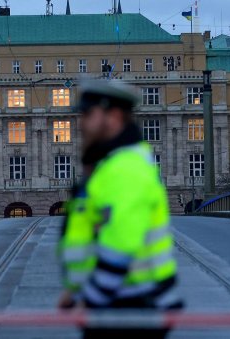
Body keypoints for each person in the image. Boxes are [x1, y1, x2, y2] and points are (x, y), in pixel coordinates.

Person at [58, 81, 182, 339]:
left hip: (133, 307)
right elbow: (94, 233)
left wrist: (89, 299)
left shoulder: (126, 168)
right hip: (119, 303)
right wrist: (76, 289)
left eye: (88, 114)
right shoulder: (110, 163)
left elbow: (120, 247)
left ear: (113, 116)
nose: (81, 123)